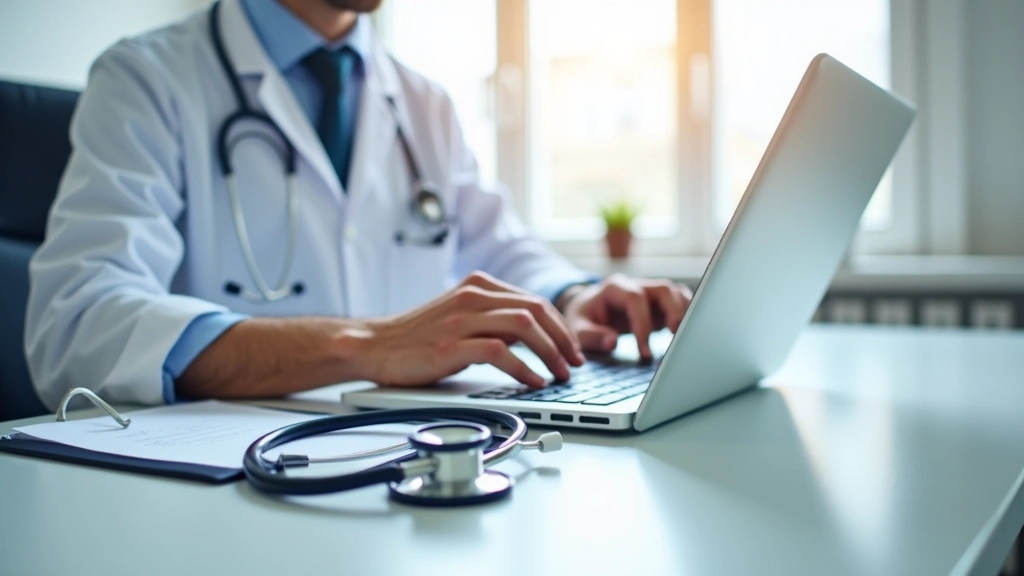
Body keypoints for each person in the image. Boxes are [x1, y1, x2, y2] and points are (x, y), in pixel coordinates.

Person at [25, 0, 692, 410]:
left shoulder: (422, 101)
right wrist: (366, 344)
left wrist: (576, 296)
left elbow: (497, 247)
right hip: (224, 494)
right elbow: (78, 325)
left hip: (406, 467)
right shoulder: (147, 78)